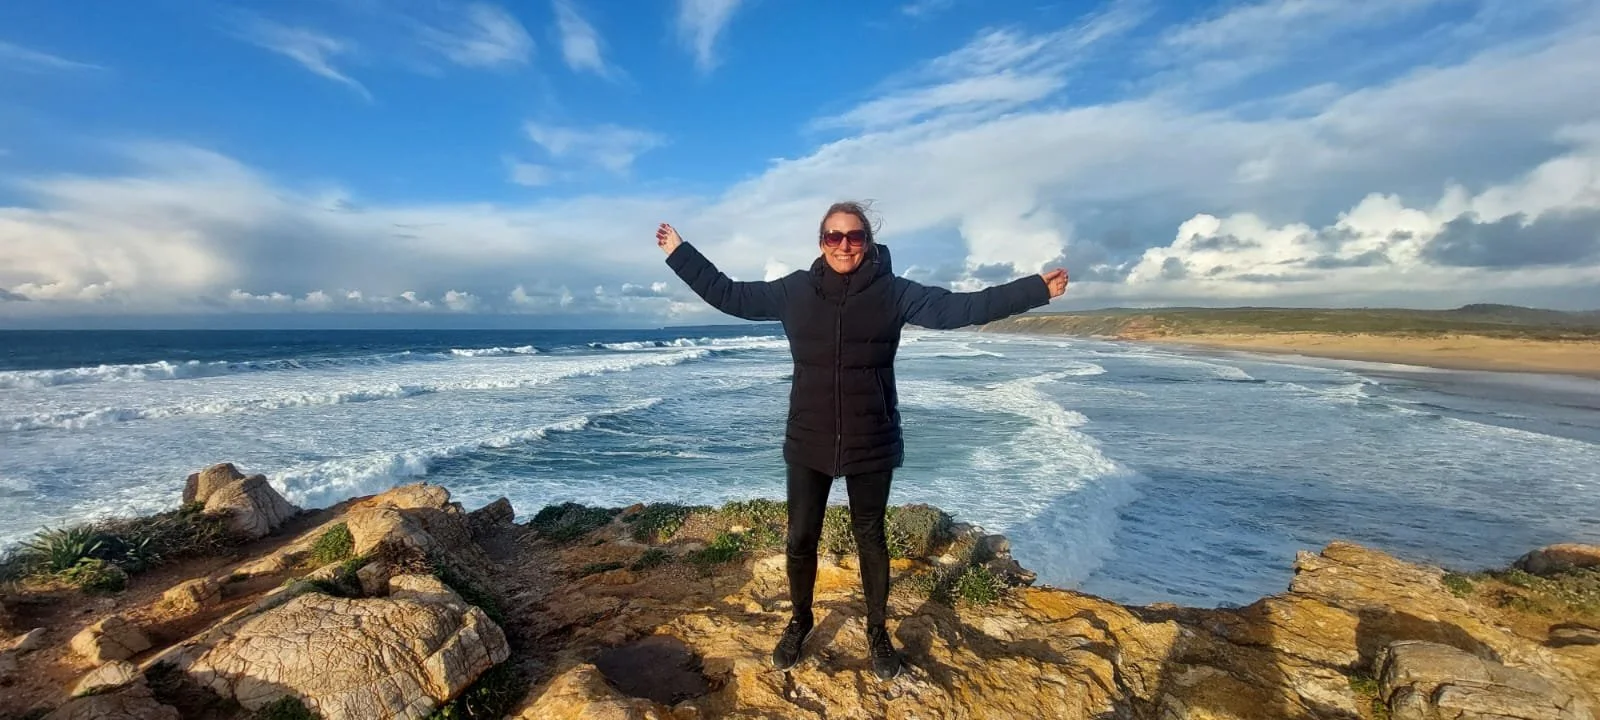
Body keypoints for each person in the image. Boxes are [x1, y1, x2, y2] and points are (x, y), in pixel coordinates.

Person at [656, 201, 1069, 680]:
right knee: (801, 537)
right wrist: (680, 253)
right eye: (834, 236)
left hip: (872, 435)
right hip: (809, 436)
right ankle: (800, 621)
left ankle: (877, 631)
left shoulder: (893, 292)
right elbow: (729, 294)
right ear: (821, 242)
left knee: (870, 538)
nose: (844, 245)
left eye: (854, 236)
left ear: (867, 242)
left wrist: (1033, 289)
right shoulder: (794, 290)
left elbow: (962, 308)